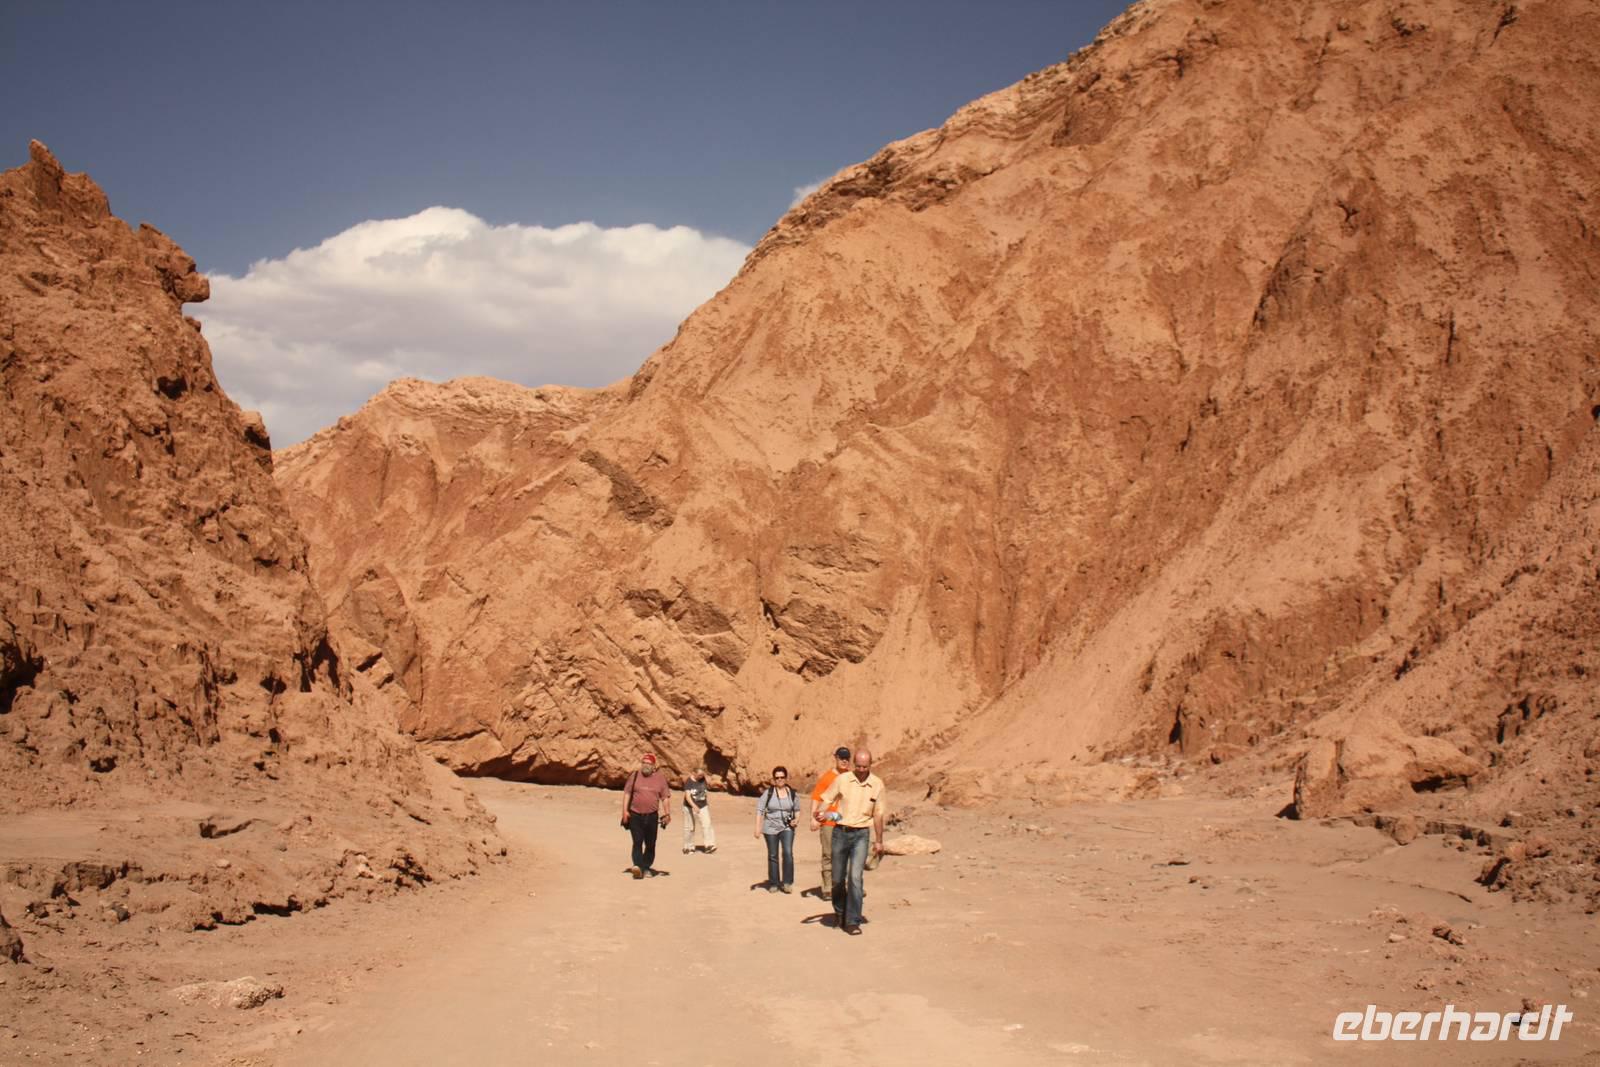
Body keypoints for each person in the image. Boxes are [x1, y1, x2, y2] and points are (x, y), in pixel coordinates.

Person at [813, 748, 884, 935]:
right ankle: (840, 913)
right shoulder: (842, 780)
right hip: (840, 833)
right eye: (858, 766)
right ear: (854, 764)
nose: (861, 770)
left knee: (855, 878)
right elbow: (827, 799)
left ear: (871, 765)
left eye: (865, 767)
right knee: (837, 879)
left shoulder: (877, 784)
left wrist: (879, 841)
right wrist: (820, 813)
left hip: (861, 835)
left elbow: (878, 814)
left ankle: (853, 920)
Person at [807, 746, 852, 897]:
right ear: (836, 758)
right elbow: (816, 798)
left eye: (847, 758)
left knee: (844, 855)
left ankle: (844, 886)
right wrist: (813, 818)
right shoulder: (827, 777)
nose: (844, 761)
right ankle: (827, 887)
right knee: (828, 854)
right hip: (828, 822)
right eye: (841, 758)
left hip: (845, 821)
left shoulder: (851, 777)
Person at [620, 753, 672, 879]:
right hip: (635, 815)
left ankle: (646, 866)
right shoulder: (634, 776)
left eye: (649, 763)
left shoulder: (660, 779)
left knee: (650, 844)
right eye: (644, 763)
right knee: (637, 842)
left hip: (652, 817)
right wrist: (624, 811)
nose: (646, 765)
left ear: (654, 766)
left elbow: (665, 797)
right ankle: (638, 866)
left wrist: (667, 814)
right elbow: (627, 793)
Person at [753, 766, 801, 893]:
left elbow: (797, 810)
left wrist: (796, 820)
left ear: (786, 778)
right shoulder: (768, 793)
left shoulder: (792, 793)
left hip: (787, 827)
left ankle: (787, 883)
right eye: (777, 778)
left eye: (782, 777)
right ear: (774, 779)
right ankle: (774, 883)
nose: (779, 779)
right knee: (773, 855)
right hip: (770, 827)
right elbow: (760, 810)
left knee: (788, 853)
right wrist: (757, 828)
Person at [681, 767, 716, 854]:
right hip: (689, 807)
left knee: (707, 824)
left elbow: (707, 787)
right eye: (699, 775)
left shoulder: (703, 778)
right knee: (690, 827)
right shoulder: (689, 782)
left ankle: (709, 845)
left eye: (702, 775)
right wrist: (694, 806)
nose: (701, 776)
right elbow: (687, 797)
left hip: (703, 806)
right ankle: (688, 847)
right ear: (694, 773)